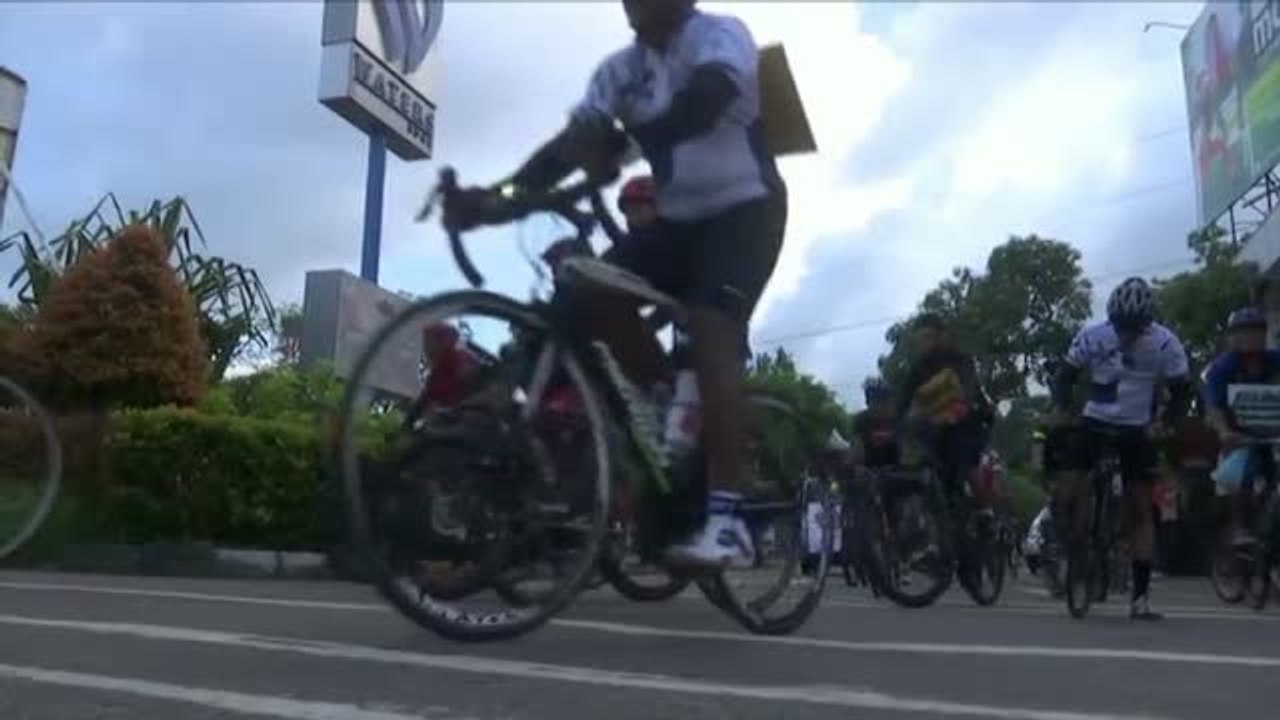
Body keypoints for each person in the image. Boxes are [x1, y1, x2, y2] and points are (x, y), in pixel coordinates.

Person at [444, 0, 786, 569]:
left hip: (745, 212)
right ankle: (664, 414)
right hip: (679, 224)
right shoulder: (617, 72)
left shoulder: (720, 35)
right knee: (587, 291)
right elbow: (559, 155)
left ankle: (728, 522)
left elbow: (704, 105)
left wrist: (620, 138)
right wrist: (491, 202)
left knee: (709, 329)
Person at [1050, 277, 1193, 621]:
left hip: (1137, 428)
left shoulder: (1165, 343)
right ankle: (1072, 548)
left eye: (1134, 328)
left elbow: (1182, 391)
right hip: (1094, 421)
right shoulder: (1093, 336)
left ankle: (1140, 599)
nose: (1126, 334)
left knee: (1142, 510)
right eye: (1120, 326)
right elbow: (1064, 377)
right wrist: (1064, 407)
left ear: (1147, 323)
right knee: (1066, 491)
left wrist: (1166, 423)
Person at [895, 314, 996, 508]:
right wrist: (902, 423)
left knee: (966, 466)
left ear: (942, 336)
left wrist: (955, 412)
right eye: (920, 339)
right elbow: (901, 405)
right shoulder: (917, 370)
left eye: (928, 337)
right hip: (935, 433)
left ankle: (985, 511)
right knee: (922, 468)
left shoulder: (960, 360)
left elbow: (968, 389)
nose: (923, 343)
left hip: (969, 424)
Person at [1203, 306, 1280, 546]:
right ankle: (1240, 527)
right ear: (1232, 337)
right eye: (1243, 331)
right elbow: (1214, 407)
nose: (1250, 337)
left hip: (1274, 435)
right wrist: (1225, 431)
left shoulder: (1275, 361)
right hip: (1238, 436)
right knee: (1241, 471)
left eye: (1256, 330)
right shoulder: (1222, 369)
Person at [404, 322, 482, 429]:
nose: (425, 347)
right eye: (425, 342)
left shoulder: (460, 359)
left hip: (467, 422)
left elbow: (473, 389)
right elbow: (424, 400)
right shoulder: (438, 370)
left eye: (428, 342)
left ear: (443, 341)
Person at [852, 377, 901, 469]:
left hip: (897, 469)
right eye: (874, 400)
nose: (878, 405)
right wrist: (858, 464)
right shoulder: (862, 419)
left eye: (883, 400)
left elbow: (907, 448)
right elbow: (857, 445)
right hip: (870, 470)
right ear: (868, 402)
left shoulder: (896, 419)